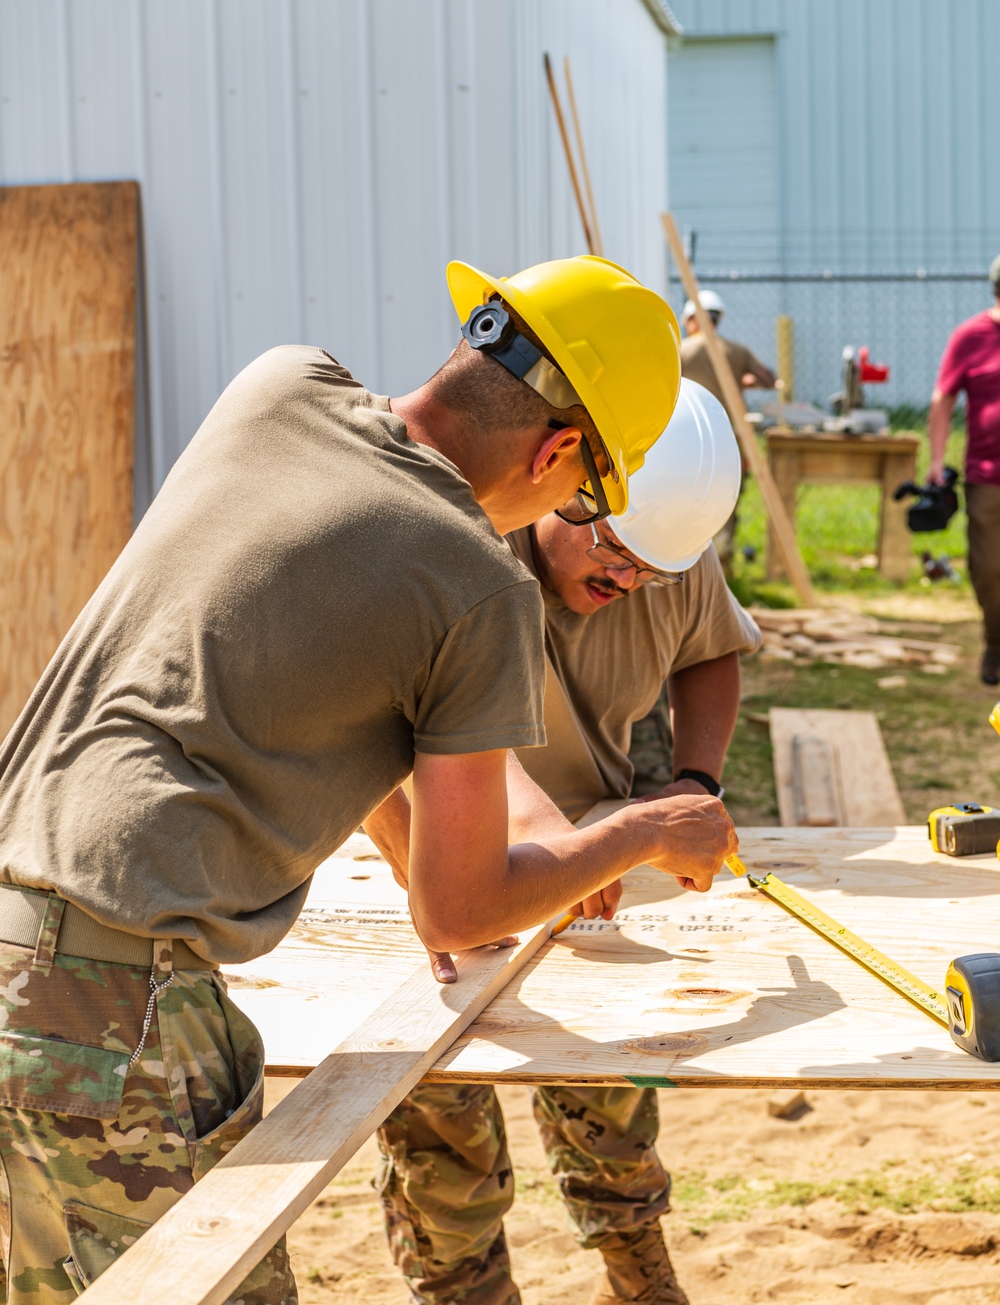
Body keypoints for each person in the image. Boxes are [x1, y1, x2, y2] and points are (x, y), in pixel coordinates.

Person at [0, 253, 740, 1303]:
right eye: (584, 491)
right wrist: (643, 835)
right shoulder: (476, 586)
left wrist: (420, 858)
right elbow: (460, 908)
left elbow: (304, 695)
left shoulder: (278, 385)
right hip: (120, 1005)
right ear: (563, 445)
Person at [376, 381, 759, 1305]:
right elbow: (414, 735)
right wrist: (563, 845)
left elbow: (712, 652)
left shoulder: (666, 546)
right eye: (614, 551)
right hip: (424, 854)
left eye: (652, 573)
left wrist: (690, 783)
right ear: (570, 487)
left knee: (613, 1119)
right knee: (443, 1145)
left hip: (597, 862)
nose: (629, 580)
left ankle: (640, 1280)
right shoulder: (456, 547)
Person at [928, 255, 1000, 685]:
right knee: (989, 567)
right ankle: (995, 642)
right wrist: (937, 462)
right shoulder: (971, 336)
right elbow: (943, 399)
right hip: (987, 476)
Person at [679, 292, 776, 575]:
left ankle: (687, 562)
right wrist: (741, 378)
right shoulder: (736, 351)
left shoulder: (682, 349)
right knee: (725, 500)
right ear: (717, 320)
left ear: (692, 320)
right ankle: (722, 564)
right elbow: (768, 378)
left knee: (688, 498)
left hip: (689, 438)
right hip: (727, 438)